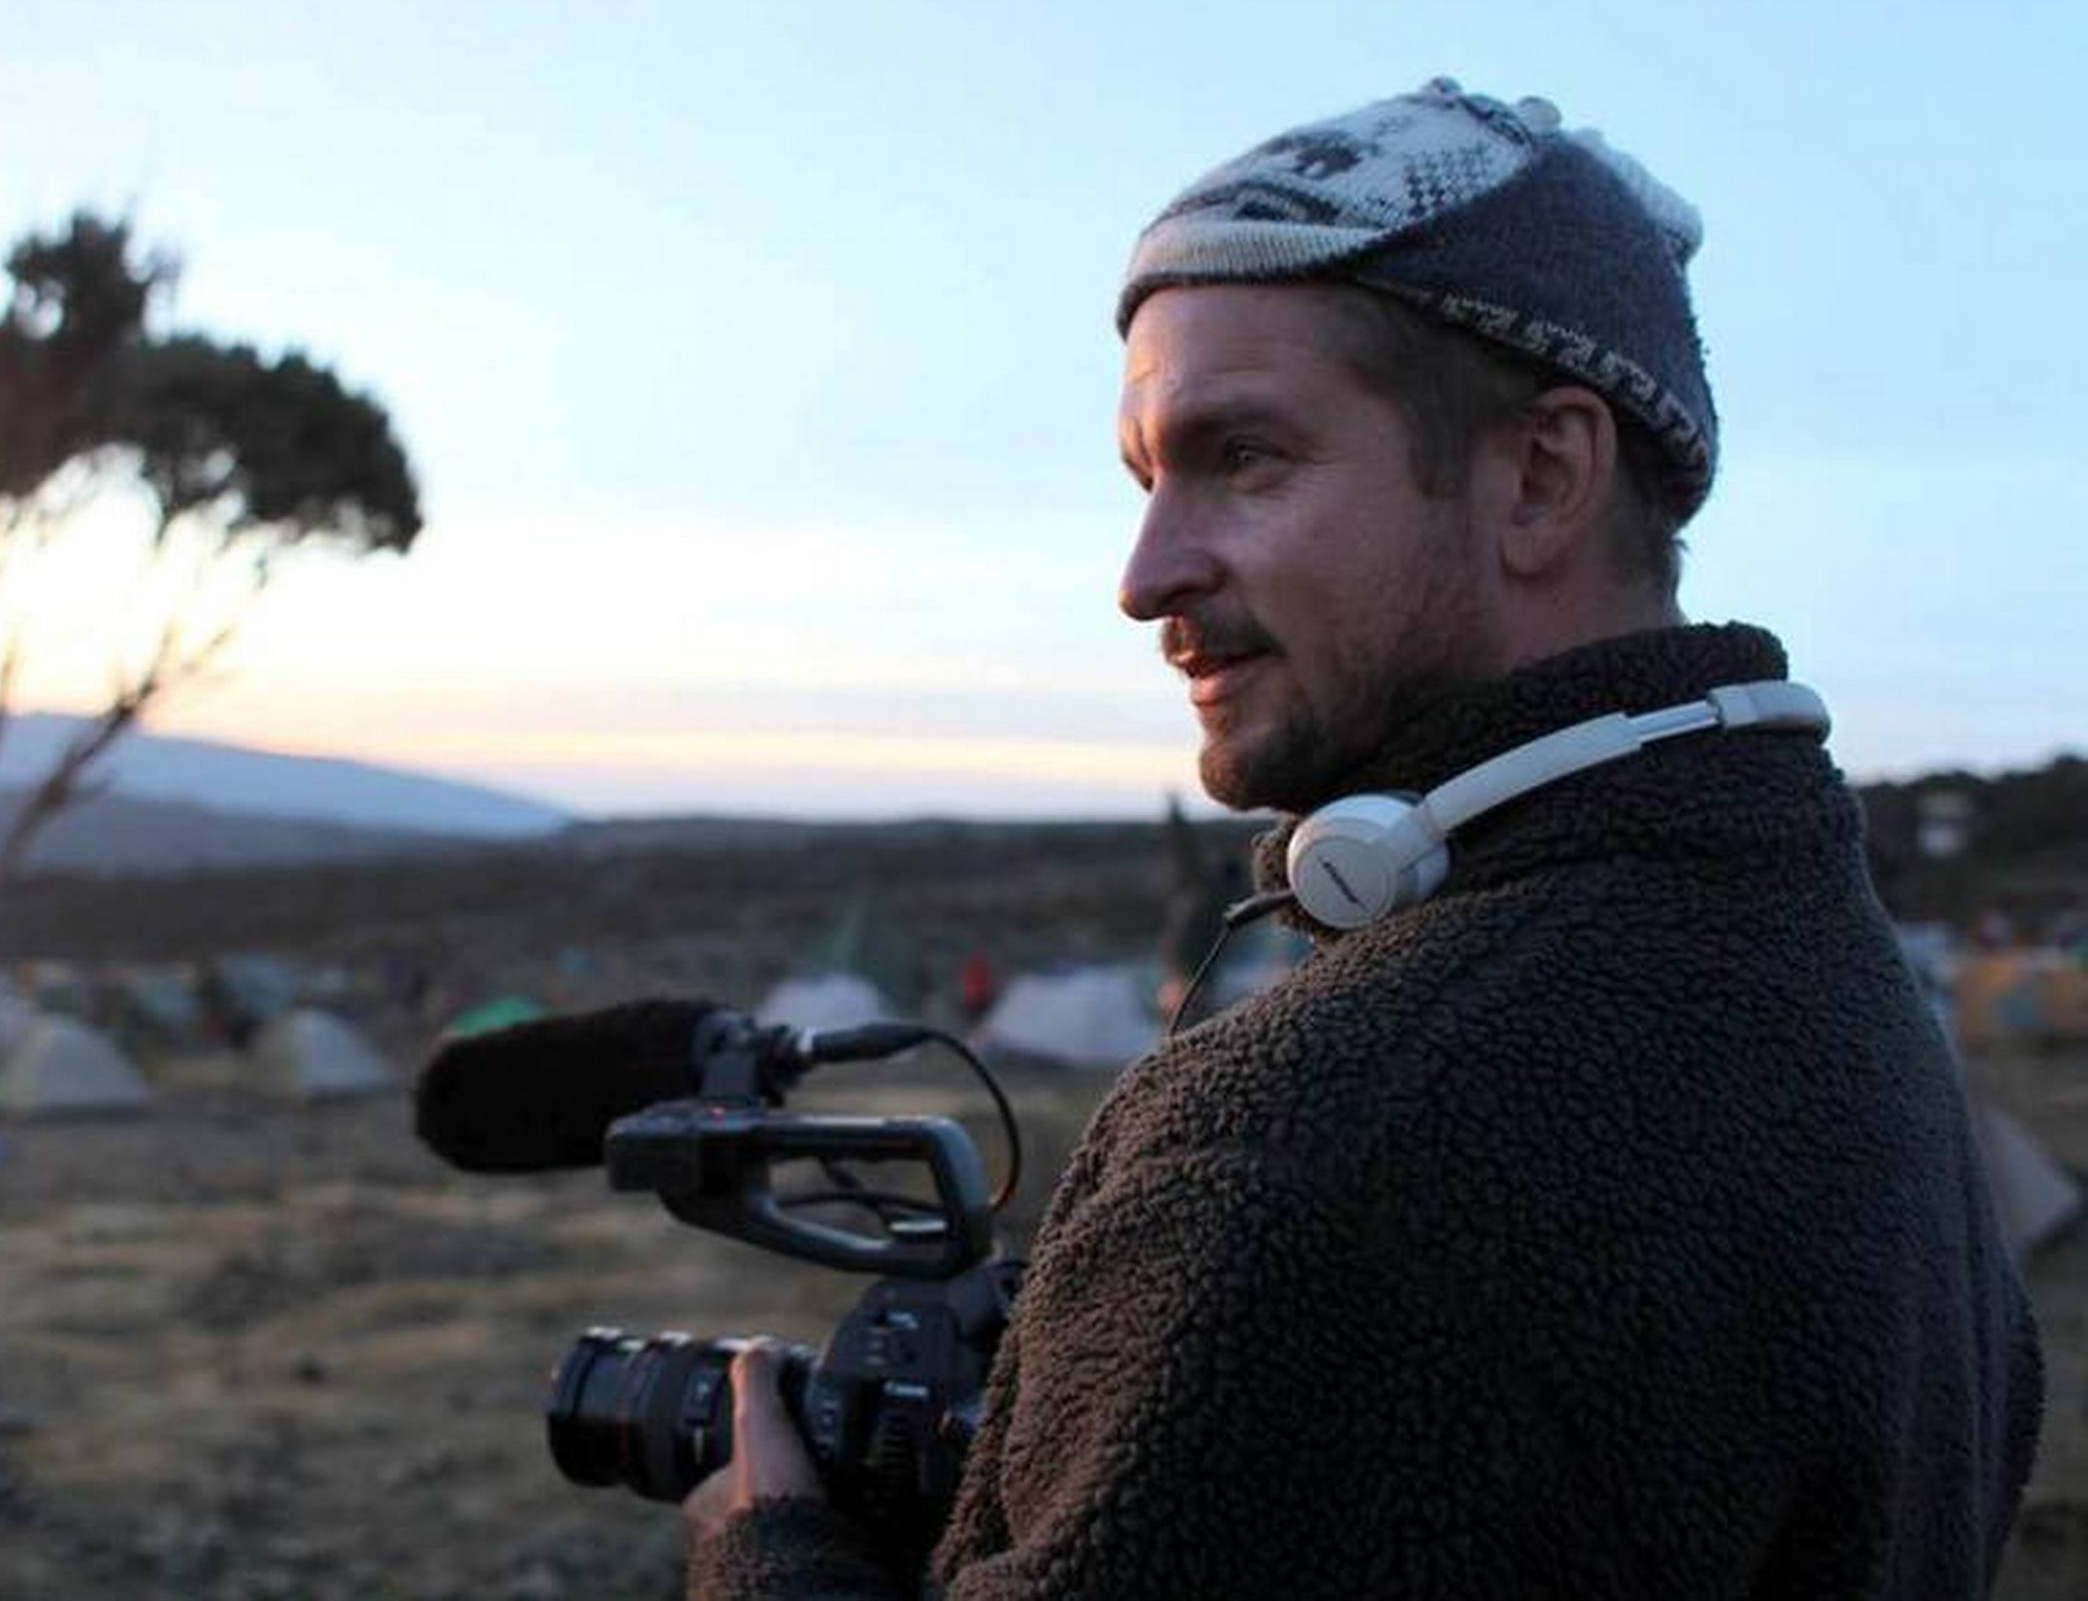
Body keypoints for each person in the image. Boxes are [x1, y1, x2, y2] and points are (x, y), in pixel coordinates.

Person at [682, 80, 2041, 1597]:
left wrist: (769, 1550)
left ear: (1540, 477)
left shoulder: (1327, 1141)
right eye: (1145, 479)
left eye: (1243, 457)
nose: (1144, 574)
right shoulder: (1827, 978)